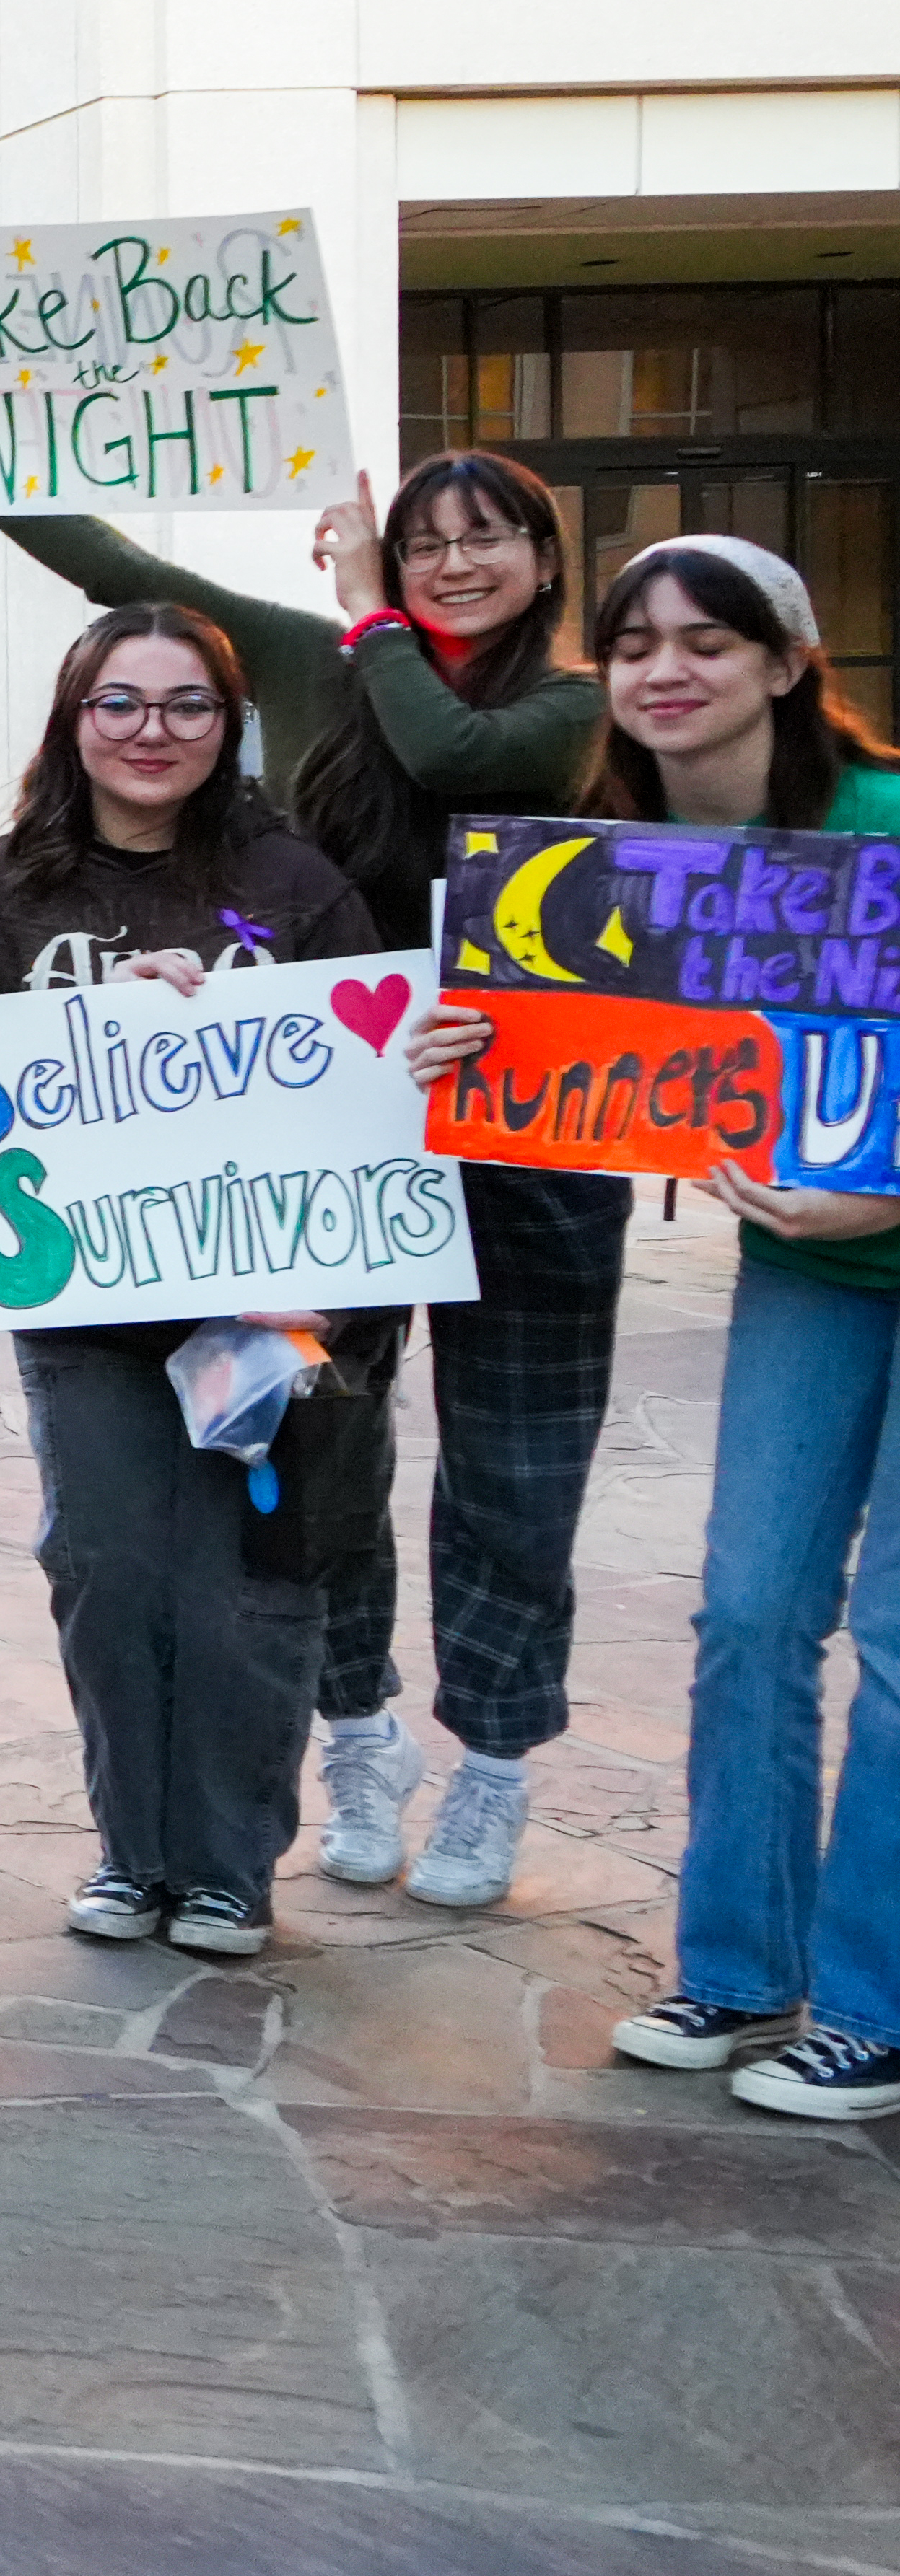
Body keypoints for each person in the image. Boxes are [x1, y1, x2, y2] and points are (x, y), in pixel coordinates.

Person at [0, 422, 616, 1910]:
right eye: (424, 539)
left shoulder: (560, 701)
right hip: (319, 1138)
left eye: (486, 536)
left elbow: (456, 756)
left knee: (510, 1486)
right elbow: (120, 568)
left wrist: (369, 610)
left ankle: (492, 1766)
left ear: (546, 562)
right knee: (321, 1486)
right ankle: (353, 1737)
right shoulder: (281, 680)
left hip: (513, 1116)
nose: (455, 561)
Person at [0, 606, 388, 1959]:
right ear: (72, 722)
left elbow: (361, 1086)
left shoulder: (294, 885)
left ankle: (230, 1866)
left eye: (186, 705)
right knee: (108, 1571)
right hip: (86, 1304)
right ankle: (133, 1854)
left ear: (228, 725)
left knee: (246, 1590)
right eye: (116, 704)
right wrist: (100, 1029)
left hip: (271, 1304)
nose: (150, 731)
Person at [509, 540, 900, 2119]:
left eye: (710, 642)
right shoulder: (624, 859)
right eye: (636, 644)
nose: (668, 670)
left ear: (789, 663)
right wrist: (479, 1035)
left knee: (897, 1647)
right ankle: (738, 1968)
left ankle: (871, 2005)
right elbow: (585, 1070)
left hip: (869, 1235)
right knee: (747, 1608)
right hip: (809, 1272)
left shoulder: (884, 828)